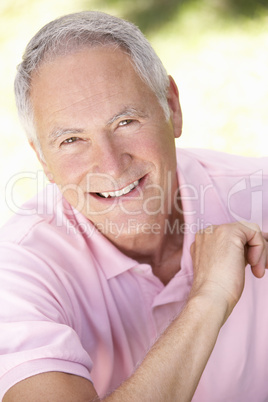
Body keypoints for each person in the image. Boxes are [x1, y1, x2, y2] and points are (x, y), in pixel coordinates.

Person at [0, 10, 268, 402]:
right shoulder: (17, 270)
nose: (110, 164)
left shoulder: (260, 198)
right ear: (42, 159)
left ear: (171, 108)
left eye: (125, 121)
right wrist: (208, 299)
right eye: (71, 140)